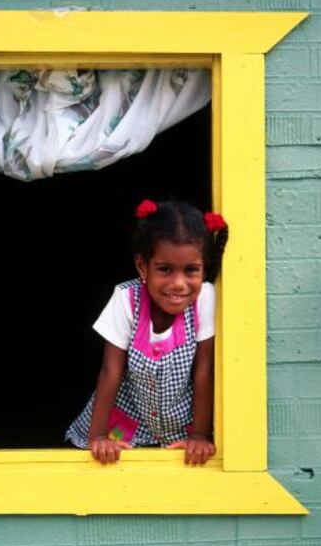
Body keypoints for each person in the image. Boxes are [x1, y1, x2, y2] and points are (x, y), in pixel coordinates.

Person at [65, 199, 228, 465]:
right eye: (164, 269)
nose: (178, 284)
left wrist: (199, 434)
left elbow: (204, 371)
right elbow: (111, 371)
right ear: (143, 267)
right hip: (127, 423)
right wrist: (98, 436)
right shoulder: (126, 299)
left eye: (191, 271)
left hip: (180, 426)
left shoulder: (205, 298)